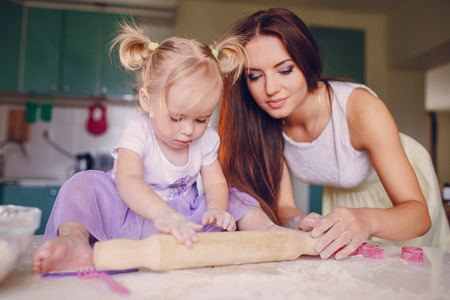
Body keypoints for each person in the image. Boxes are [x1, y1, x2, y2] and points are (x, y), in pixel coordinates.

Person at [32, 22, 288, 274]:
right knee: (81, 184)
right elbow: (128, 179)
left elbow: (215, 185)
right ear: (147, 101)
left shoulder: (206, 140)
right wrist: (161, 213)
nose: (188, 130)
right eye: (176, 118)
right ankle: (74, 241)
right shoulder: (138, 132)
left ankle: (270, 232)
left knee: (234, 196)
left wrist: (216, 208)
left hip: (182, 219)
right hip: (127, 214)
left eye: (201, 119)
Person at [217, 7, 450, 260]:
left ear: (306, 63)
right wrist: (302, 222)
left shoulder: (361, 108)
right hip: (345, 202)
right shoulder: (265, 121)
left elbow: (418, 216)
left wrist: (366, 219)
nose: (270, 88)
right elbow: (284, 207)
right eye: (254, 76)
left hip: (399, 204)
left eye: (284, 70)